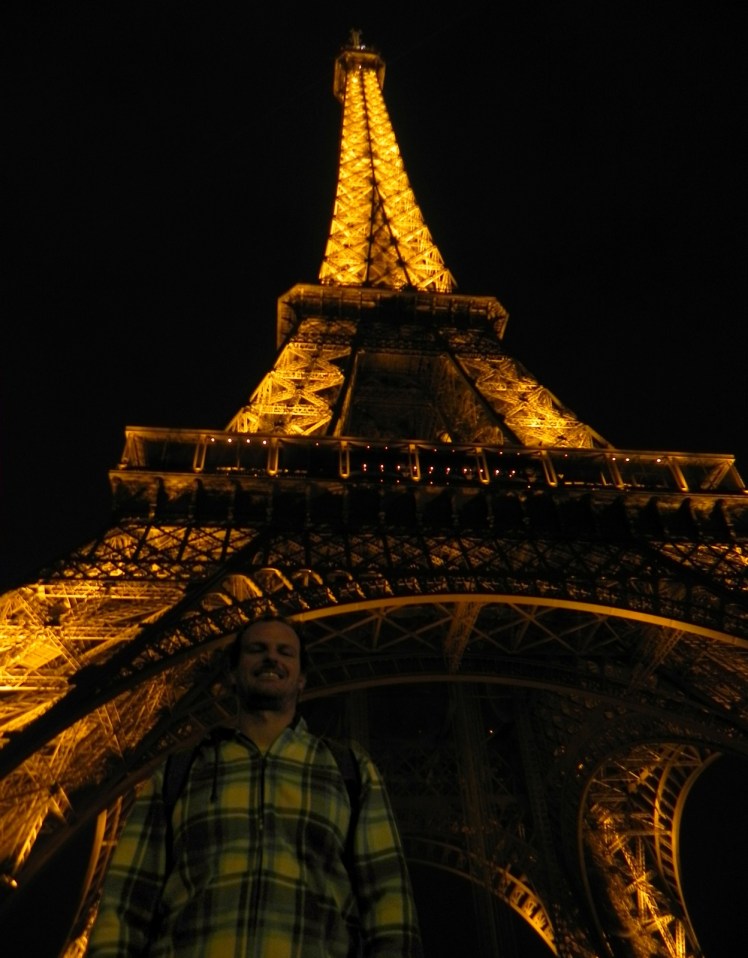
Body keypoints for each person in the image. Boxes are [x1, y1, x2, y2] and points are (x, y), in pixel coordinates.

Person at [86, 615, 423, 957]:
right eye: (257, 649)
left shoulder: (350, 772)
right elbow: (125, 904)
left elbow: (389, 906)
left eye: (284, 652)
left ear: (302, 679)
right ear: (232, 673)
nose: (271, 658)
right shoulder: (179, 773)